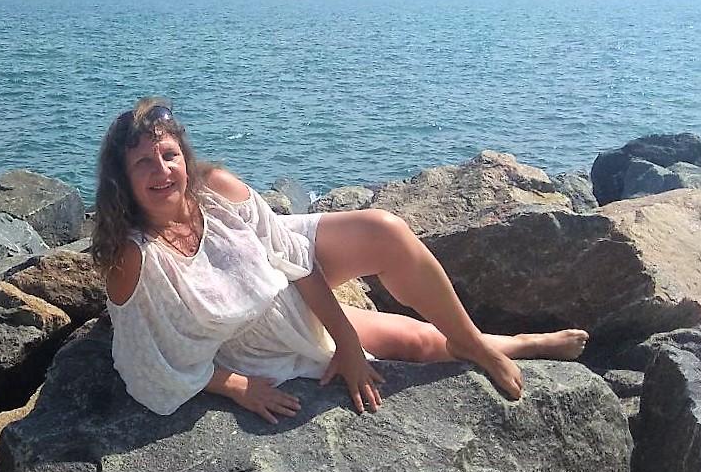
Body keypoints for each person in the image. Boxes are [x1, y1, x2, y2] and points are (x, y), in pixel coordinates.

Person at [91, 97, 589, 424]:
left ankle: (477, 344)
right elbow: (145, 364)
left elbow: (297, 261)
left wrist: (347, 343)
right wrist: (236, 386)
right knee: (416, 343)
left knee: (385, 230)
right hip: (246, 340)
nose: (162, 170)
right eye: (144, 163)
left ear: (185, 156)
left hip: (277, 288)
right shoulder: (133, 257)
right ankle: (524, 344)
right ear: (123, 180)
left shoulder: (215, 189)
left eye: (169, 155)